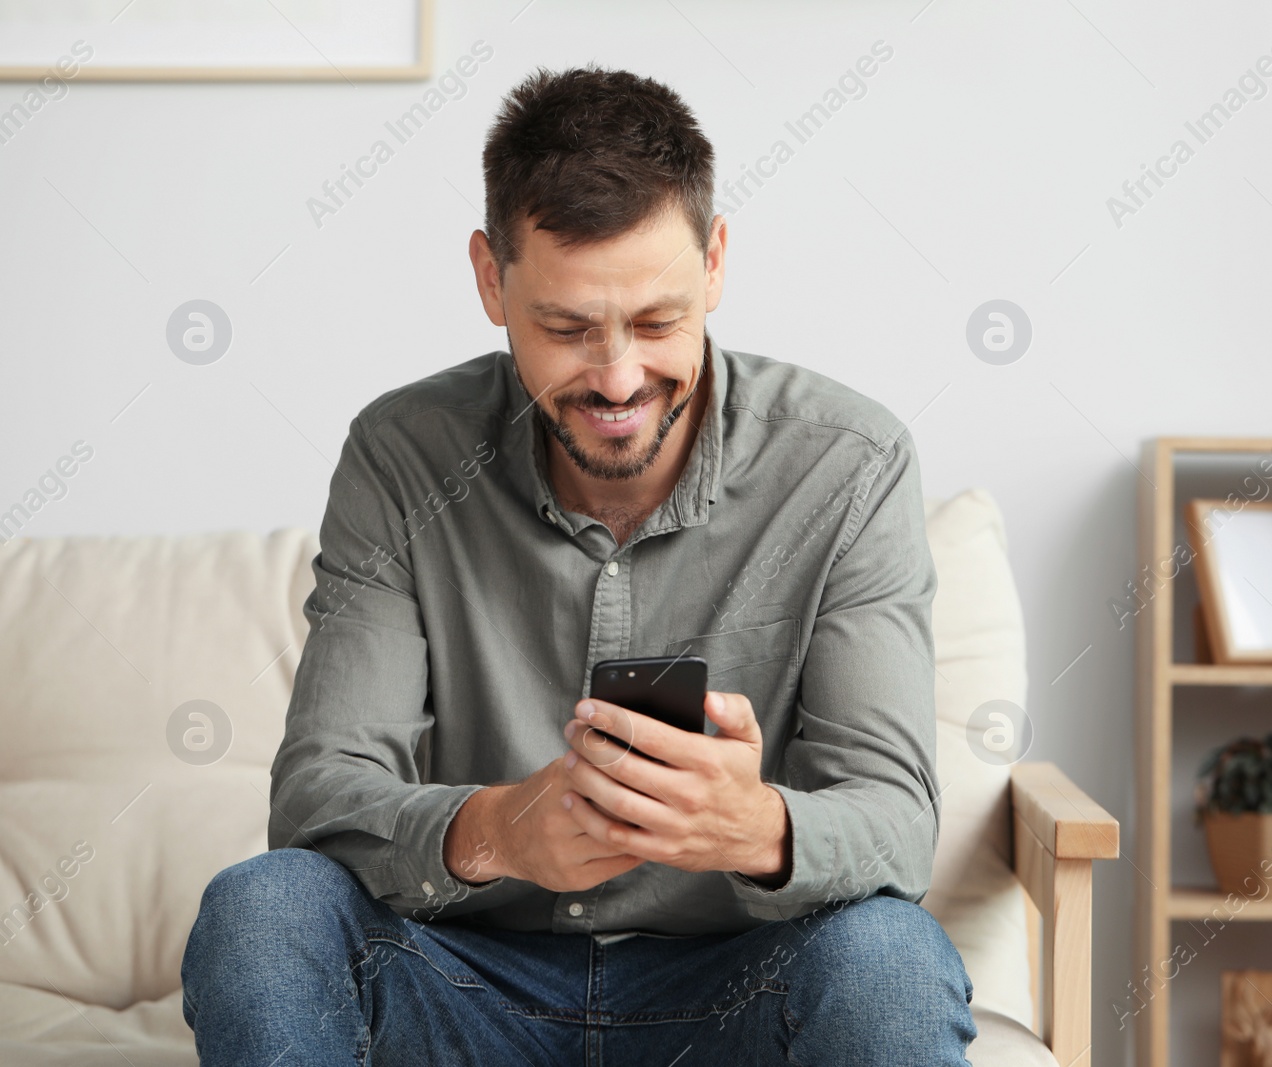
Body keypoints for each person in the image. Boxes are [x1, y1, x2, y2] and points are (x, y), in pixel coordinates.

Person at [181, 63, 975, 1066]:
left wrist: (757, 825)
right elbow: (319, 796)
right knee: (261, 908)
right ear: (489, 277)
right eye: (564, 328)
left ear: (716, 261)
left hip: (737, 985)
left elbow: (894, 822)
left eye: (656, 321)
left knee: (889, 956)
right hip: (467, 982)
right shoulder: (402, 452)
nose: (616, 377)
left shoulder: (848, 463)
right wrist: (497, 831)